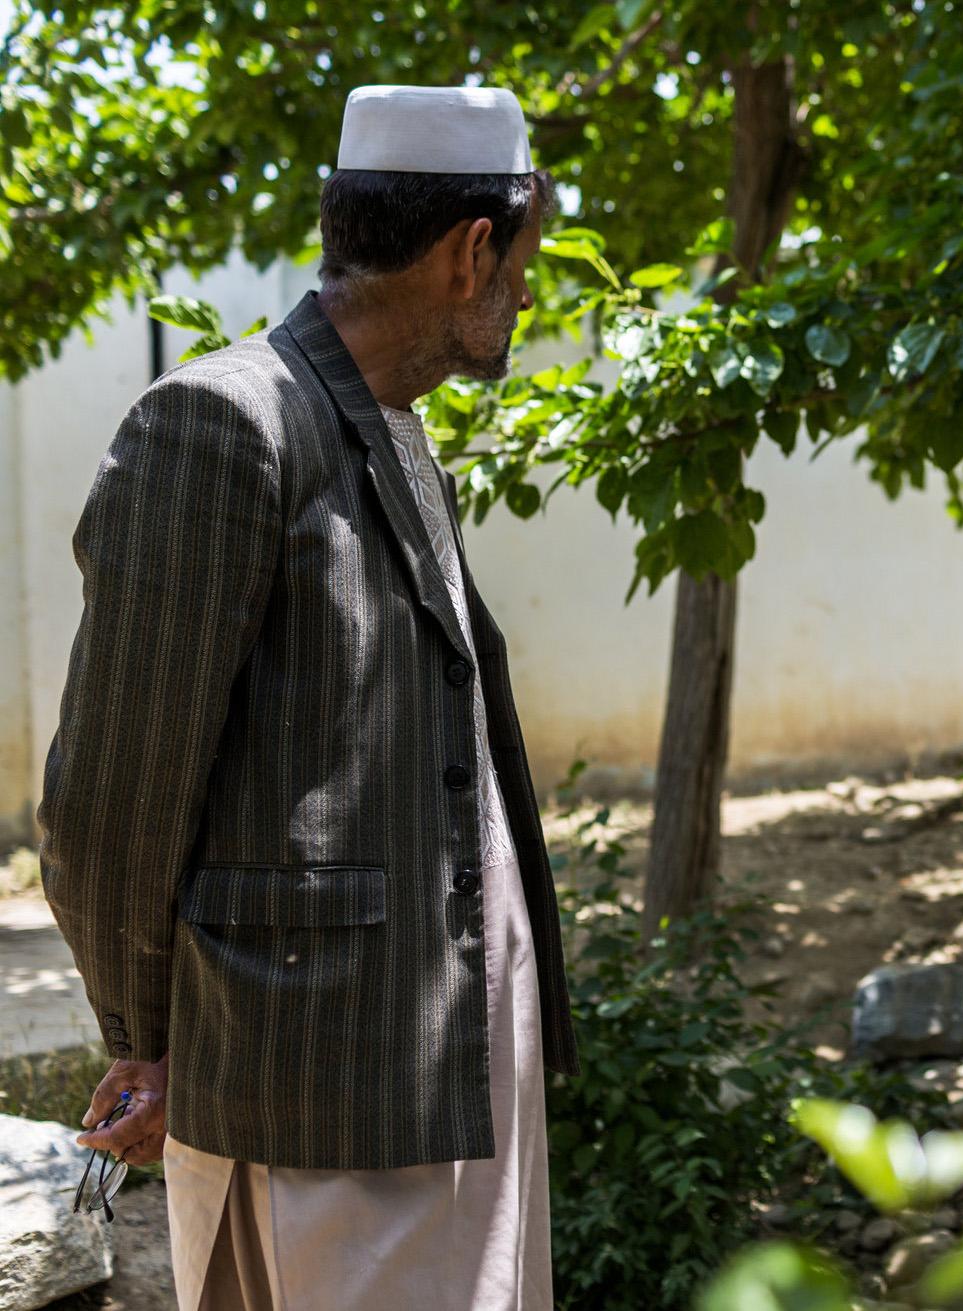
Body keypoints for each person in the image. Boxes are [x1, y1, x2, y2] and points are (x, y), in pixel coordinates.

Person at [35, 84, 581, 1309]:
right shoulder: (222, 426)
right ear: (470, 251)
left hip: (437, 1072)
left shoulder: (387, 430)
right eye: (523, 263)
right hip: (314, 1089)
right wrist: (144, 1033)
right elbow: (112, 800)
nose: (527, 298)